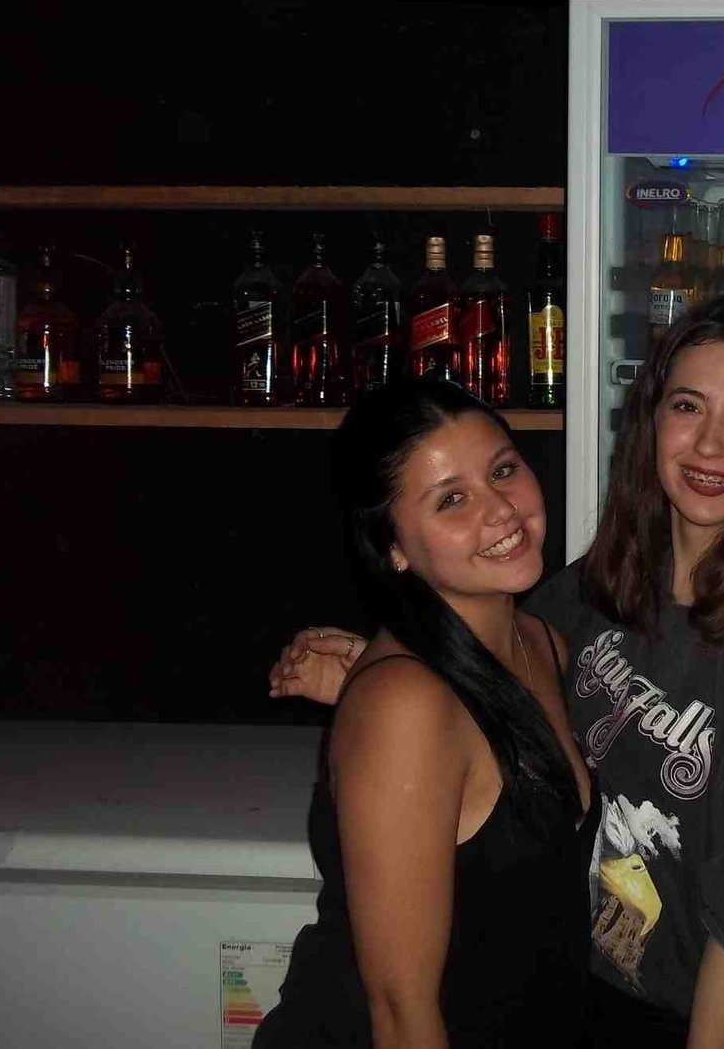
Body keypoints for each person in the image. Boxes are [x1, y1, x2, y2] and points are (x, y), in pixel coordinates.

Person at [270, 296, 724, 1049]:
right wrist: (376, 686)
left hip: (694, 1017)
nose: (710, 442)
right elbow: (465, 684)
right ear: (650, 421)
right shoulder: (590, 596)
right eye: (687, 406)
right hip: (577, 997)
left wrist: (386, 691)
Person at [254, 378, 593, 1049]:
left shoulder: (542, 643)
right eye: (451, 499)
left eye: (503, 470)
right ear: (395, 548)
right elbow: (400, 1011)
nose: (501, 510)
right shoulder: (402, 706)